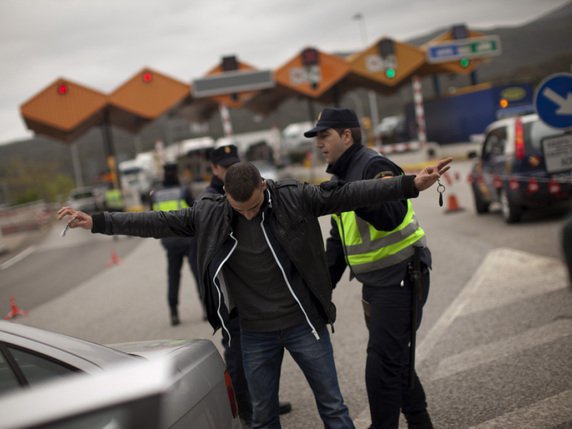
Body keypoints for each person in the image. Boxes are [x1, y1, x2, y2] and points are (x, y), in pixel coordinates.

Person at [57, 157, 451, 429]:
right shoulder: (210, 212)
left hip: (303, 325)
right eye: (238, 207)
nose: (246, 213)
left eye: (253, 206)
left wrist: (410, 184)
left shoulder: (295, 197)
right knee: (263, 417)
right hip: (255, 334)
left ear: (264, 186)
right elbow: (156, 221)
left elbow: (348, 194)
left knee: (333, 407)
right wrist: (96, 222)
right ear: (225, 194)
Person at [304, 107, 436, 429]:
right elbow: (338, 242)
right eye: (316, 138)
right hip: (378, 284)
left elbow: (391, 216)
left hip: (402, 275)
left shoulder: (373, 165)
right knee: (395, 359)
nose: (319, 144)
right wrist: (319, 289)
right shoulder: (340, 176)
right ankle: (421, 422)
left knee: (382, 365)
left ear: (347, 136)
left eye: (325, 136)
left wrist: (353, 198)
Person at [204, 145, 292, 426]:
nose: (230, 168)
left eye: (234, 163)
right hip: (232, 296)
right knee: (239, 358)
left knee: (264, 356)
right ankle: (248, 413)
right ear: (214, 169)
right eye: (224, 165)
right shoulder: (209, 201)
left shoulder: (251, 186)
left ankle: (267, 402)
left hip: (256, 293)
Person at [150, 162, 203, 326]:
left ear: (164, 174)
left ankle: (173, 312)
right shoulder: (183, 190)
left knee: (173, 276)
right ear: (176, 173)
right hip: (187, 239)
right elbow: (195, 212)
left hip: (170, 241)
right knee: (199, 274)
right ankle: (207, 307)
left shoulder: (156, 193)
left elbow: (151, 217)